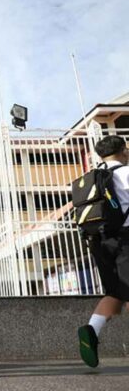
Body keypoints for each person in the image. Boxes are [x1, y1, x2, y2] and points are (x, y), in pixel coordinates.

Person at [78, 135, 129, 368]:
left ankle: (92, 330)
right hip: (124, 238)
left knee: (115, 293)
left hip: (98, 240)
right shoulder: (126, 173)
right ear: (124, 151)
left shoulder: (92, 177)